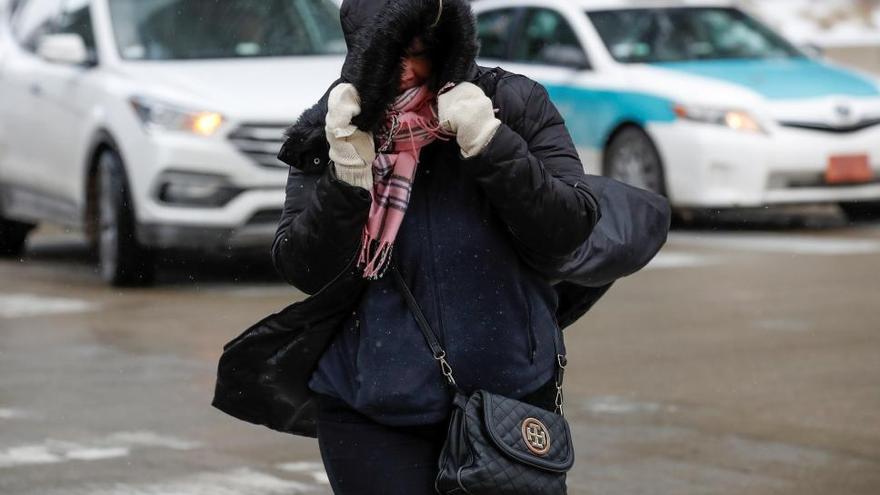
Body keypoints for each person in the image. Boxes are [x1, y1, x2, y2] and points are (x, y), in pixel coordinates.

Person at [271, 0, 602, 493]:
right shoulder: (336, 122)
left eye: (422, 52)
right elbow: (304, 267)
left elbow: (568, 226)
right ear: (361, 54)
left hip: (507, 395)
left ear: (451, 46)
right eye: (388, 53)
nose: (406, 70)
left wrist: (490, 142)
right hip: (371, 406)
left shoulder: (513, 101)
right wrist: (347, 178)